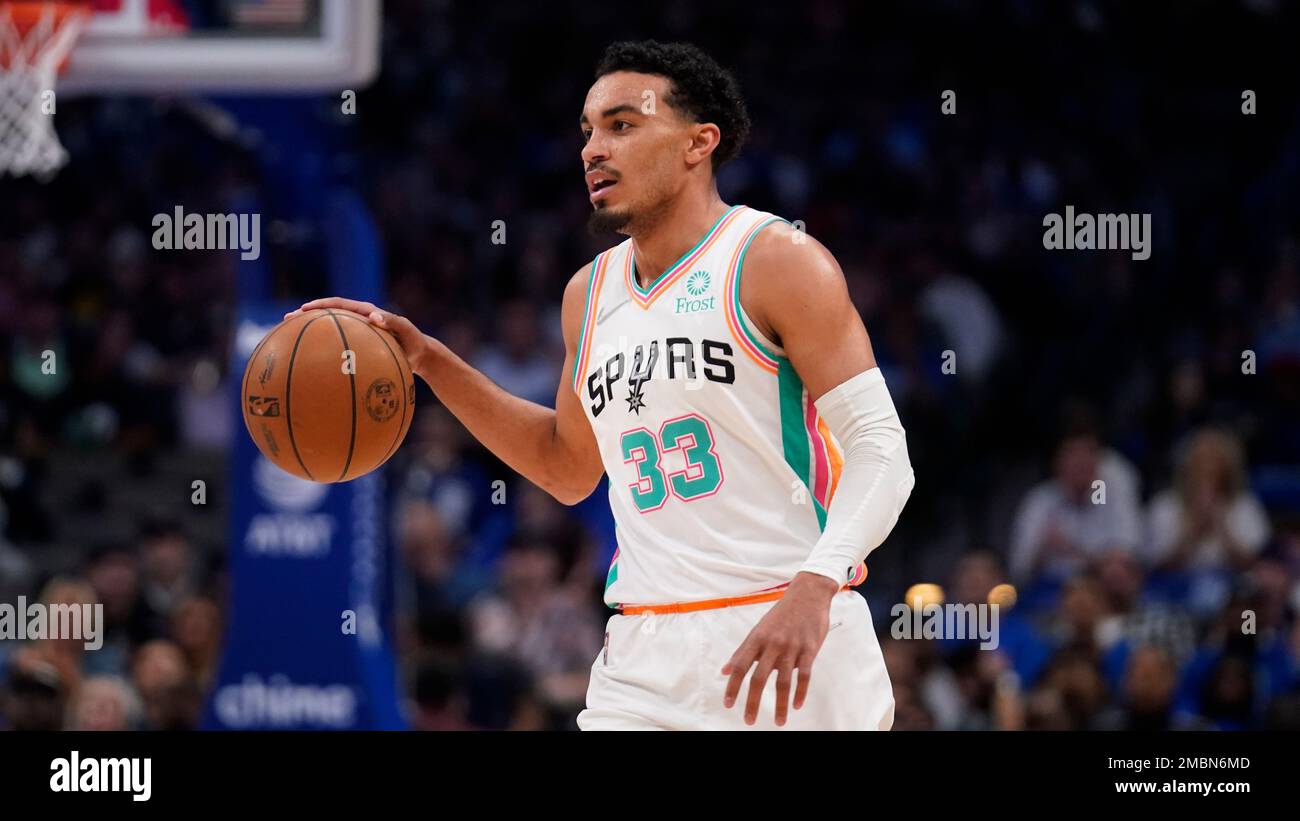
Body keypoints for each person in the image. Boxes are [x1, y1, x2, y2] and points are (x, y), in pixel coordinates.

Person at [287, 40, 914, 730]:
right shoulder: (588, 294)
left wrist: (818, 582)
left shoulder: (776, 261)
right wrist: (432, 362)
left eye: (622, 125)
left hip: (788, 633)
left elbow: (881, 446)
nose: (592, 149)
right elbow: (566, 466)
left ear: (698, 143)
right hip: (644, 651)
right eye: (587, 131)